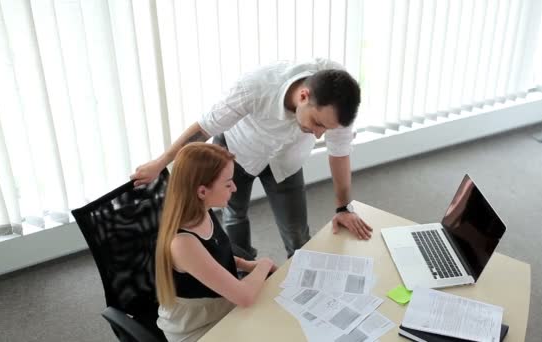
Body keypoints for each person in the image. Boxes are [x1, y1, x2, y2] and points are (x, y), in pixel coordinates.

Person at [133, 58, 372, 259]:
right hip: (239, 152)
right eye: (318, 124)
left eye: (326, 129)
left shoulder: (339, 103)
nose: (319, 135)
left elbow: (339, 152)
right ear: (303, 96)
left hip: (286, 161)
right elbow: (204, 129)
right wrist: (161, 162)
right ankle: (244, 273)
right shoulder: (255, 87)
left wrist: (343, 207)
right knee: (235, 216)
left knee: (297, 232)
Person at [155, 143, 276, 342]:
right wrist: (265, 264)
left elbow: (215, 254)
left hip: (220, 305)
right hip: (197, 327)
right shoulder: (183, 243)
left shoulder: (203, 211)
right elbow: (244, 297)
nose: (235, 188)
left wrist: (245, 264)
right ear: (202, 191)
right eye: (228, 184)